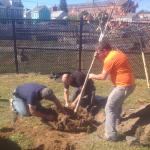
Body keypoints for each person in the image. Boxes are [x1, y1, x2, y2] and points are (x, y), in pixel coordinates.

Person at [89, 39, 135, 141]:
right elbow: (108, 65)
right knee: (116, 103)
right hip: (128, 84)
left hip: (123, 86)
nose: (98, 54)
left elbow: (103, 76)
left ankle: (110, 135)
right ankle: (116, 120)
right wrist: (98, 58)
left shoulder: (109, 58)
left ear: (104, 50)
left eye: (99, 52)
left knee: (109, 108)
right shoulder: (116, 53)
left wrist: (92, 75)